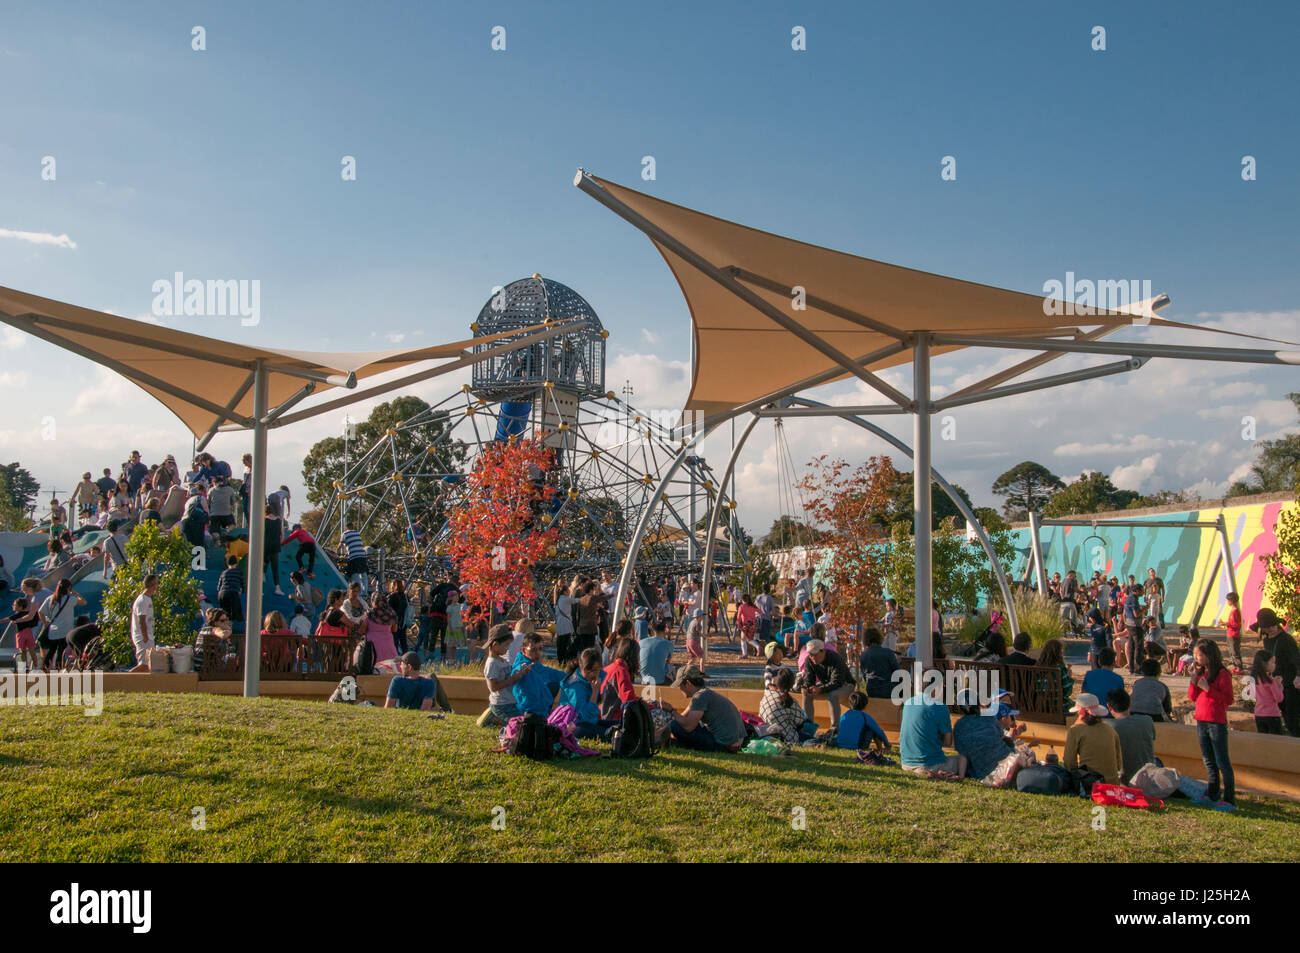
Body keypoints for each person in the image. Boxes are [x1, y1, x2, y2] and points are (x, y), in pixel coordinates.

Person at [1187, 638, 1235, 809]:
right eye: (1195, 655)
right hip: (1201, 720)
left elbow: (1228, 699)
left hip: (1216, 722)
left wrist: (1209, 689)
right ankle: (1212, 793)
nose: (1196, 658)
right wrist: (1194, 682)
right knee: (1208, 760)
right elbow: (1192, 697)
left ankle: (1229, 798)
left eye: (1199, 655)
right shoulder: (1201, 673)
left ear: (1209, 655)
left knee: (1222, 761)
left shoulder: (1222, 674)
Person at [665, 666, 746, 751]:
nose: (680, 689)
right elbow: (683, 717)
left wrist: (671, 711)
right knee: (676, 723)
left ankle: (679, 744)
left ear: (688, 683)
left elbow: (688, 726)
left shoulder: (700, 697)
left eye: (680, 685)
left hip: (723, 745)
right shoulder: (704, 693)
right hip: (735, 743)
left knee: (674, 726)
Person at [1252, 608, 1300, 736]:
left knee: (1292, 718)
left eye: (1272, 625)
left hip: (1290, 683)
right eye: (1266, 627)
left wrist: (1298, 676)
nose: (1270, 629)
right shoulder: (1267, 640)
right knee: (1277, 715)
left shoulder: (1286, 639)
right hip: (1275, 683)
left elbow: (1297, 659)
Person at [899, 693, 965, 778]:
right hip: (928, 766)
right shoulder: (940, 707)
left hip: (905, 764)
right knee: (965, 760)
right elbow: (948, 742)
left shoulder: (908, 702)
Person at [951, 691, 1013, 781]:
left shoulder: (959, 726)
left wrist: (961, 776)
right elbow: (1002, 737)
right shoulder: (989, 716)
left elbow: (963, 755)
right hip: (1007, 761)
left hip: (984, 774)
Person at [1063, 692, 1123, 785]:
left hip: (1089, 784)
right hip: (1112, 784)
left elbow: (1069, 761)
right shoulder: (1110, 730)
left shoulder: (1076, 730)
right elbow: (1118, 763)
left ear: (1080, 713)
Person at [799, 638, 854, 728]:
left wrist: (821, 689)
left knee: (832, 695)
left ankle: (834, 728)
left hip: (845, 685)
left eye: (815, 654)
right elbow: (809, 679)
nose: (813, 658)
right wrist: (807, 687)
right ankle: (808, 726)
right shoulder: (809, 660)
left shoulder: (835, 658)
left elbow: (837, 682)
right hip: (827, 684)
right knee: (806, 693)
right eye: (811, 655)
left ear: (823, 651)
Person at [1105, 687, 1156, 783]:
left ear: (1109, 707)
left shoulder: (1108, 727)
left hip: (1123, 780)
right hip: (1147, 777)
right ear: (1130, 703)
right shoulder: (1147, 720)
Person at [510, 632, 567, 718]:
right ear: (524, 650)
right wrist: (520, 672)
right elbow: (516, 672)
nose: (538, 653)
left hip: (541, 709)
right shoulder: (523, 665)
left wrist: (572, 675)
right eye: (533, 650)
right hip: (528, 712)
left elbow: (551, 673)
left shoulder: (535, 664)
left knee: (555, 683)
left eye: (540, 649)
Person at [481, 625, 523, 724]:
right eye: (506, 645)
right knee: (519, 724)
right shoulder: (492, 664)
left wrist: (520, 672)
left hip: (511, 701)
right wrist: (512, 679)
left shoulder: (502, 660)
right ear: (495, 644)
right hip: (502, 704)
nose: (508, 649)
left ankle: (495, 717)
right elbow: (493, 687)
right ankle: (494, 719)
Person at [384, 652, 452, 712]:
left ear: (409, 667)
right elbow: (425, 710)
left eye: (402, 664)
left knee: (431, 676)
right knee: (432, 676)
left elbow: (388, 707)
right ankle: (448, 710)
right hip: (420, 711)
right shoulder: (429, 683)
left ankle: (447, 709)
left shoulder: (397, 681)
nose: (400, 666)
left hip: (401, 714)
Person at [758, 667, 807, 744]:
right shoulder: (791, 702)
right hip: (787, 738)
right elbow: (800, 722)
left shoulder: (766, 696)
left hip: (766, 735)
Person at [598, 636, 641, 721]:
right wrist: (652, 706)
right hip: (612, 719)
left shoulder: (607, 669)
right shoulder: (621, 671)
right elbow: (629, 700)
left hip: (600, 716)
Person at [1249, 650, 1285, 735]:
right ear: (1264, 664)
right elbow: (1279, 698)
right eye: (1272, 662)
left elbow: (1252, 695)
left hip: (1259, 714)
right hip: (1272, 714)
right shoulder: (1270, 681)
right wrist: (1279, 686)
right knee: (1276, 742)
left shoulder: (1253, 679)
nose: (1274, 665)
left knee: (1264, 741)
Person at [130, 574, 161, 673]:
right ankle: (124, 680)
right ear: (153, 584)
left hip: (148, 637)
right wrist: (145, 637)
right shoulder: (142, 600)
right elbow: (141, 619)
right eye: (157, 582)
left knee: (148, 665)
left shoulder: (148, 599)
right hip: (143, 637)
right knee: (143, 665)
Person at [859, 626, 901, 699]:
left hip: (871, 691)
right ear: (879, 638)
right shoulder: (888, 653)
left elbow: (864, 676)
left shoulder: (863, 656)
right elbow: (898, 672)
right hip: (889, 691)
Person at [1, 596, 40, 670]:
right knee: (32, 651)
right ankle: (36, 666)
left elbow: (6, 620)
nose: (13, 606)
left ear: (20, 607)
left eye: (14, 605)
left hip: (20, 634)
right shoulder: (29, 614)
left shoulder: (17, 615)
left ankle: (24, 667)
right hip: (29, 633)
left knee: (23, 652)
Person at [1081, 648, 1124, 713]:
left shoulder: (1089, 674)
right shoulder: (1118, 679)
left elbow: (1083, 695)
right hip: (1110, 714)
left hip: (1091, 713)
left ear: (1099, 662)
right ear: (1113, 662)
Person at [1130, 658, 1173, 722]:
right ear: (1159, 673)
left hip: (1133, 713)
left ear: (1142, 672)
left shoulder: (1137, 683)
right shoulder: (1162, 686)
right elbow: (1167, 708)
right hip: (1154, 716)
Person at [1037, 638, 1073, 709]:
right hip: (1059, 707)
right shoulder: (1060, 669)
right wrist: (1069, 677)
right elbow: (1067, 693)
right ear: (1059, 653)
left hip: (1040, 706)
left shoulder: (1036, 668)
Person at [638, 618, 674, 687]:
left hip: (644, 679)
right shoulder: (669, 644)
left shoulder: (641, 642)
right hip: (660, 680)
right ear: (664, 631)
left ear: (652, 631)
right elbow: (668, 661)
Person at [261, 504, 284, 596]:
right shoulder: (278, 520)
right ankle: (277, 588)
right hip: (275, 546)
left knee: (264, 562)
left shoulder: (264, 520)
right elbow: (282, 535)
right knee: (275, 568)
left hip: (265, 545)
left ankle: (261, 581)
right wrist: (280, 543)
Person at [217, 553, 245, 624]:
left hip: (222, 594)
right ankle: (229, 628)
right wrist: (241, 590)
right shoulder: (238, 572)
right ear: (236, 563)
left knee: (224, 612)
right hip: (232, 593)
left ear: (227, 564)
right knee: (233, 614)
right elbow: (243, 584)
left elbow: (219, 587)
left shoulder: (224, 573)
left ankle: (224, 627)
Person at [1221, 591, 1244, 672]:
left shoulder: (1235, 611)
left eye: (1228, 600)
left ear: (1232, 601)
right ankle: (1235, 666)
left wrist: (1226, 624)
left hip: (1234, 635)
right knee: (1231, 651)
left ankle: (1239, 668)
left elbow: (1236, 625)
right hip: (1230, 634)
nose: (1227, 602)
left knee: (1235, 652)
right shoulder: (1233, 610)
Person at [735, 592, 760, 658]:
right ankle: (757, 646)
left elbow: (738, 616)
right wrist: (756, 617)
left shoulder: (741, 606)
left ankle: (745, 654)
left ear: (743, 600)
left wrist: (738, 625)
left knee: (743, 639)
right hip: (754, 624)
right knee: (749, 639)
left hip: (747, 624)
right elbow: (761, 612)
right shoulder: (753, 606)